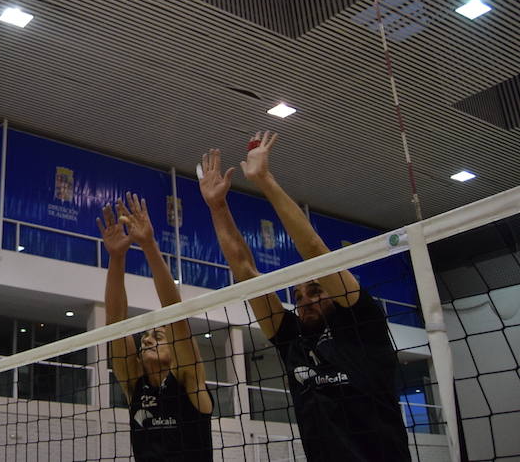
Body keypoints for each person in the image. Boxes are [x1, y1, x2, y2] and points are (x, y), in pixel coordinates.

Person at [198, 132, 411, 462]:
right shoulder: (292, 338)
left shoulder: (361, 321)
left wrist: (265, 180)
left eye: (314, 291)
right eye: (297, 295)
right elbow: (244, 270)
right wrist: (218, 206)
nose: (304, 300)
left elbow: (313, 249)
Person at [98, 192, 213, 461]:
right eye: (146, 337)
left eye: (157, 336)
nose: (146, 340)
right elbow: (115, 324)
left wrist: (148, 244)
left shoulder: (189, 382)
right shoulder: (135, 385)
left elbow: (176, 315)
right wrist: (116, 257)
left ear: (176, 350)